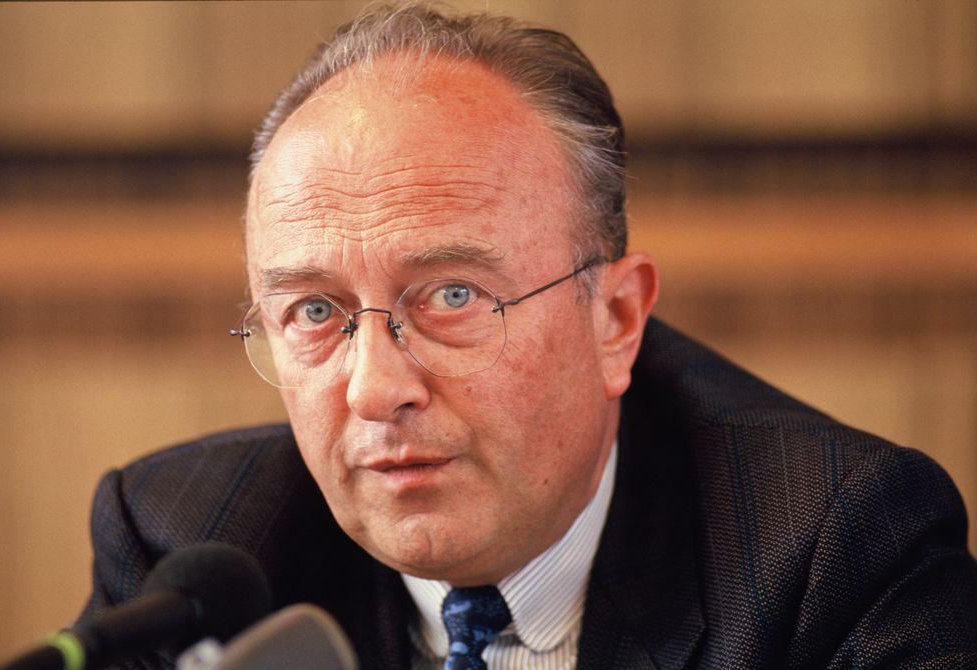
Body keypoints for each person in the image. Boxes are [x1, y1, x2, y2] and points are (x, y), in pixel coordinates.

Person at [78, 4, 977, 669]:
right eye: (314, 312)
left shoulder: (830, 548)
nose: (374, 389)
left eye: (453, 296)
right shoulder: (188, 551)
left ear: (615, 320)